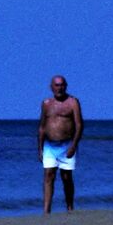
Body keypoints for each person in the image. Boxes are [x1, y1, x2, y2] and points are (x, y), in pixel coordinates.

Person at [38, 75, 82, 212]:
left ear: (66, 86)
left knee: (66, 177)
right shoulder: (46, 103)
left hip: (67, 145)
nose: (59, 88)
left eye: (62, 85)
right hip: (49, 146)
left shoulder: (73, 102)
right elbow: (42, 127)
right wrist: (39, 148)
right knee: (48, 176)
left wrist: (74, 145)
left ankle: (70, 207)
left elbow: (79, 125)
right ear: (51, 87)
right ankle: (46, 210)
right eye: (56, 85)